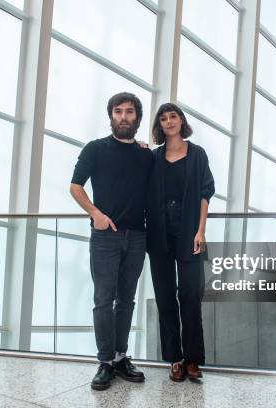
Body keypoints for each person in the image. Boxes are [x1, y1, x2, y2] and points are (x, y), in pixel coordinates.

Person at [70, 92, 153, 391]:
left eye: (129, 112)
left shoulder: (146, 155)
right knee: (103, 300)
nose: (123, 117)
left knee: (126, 300)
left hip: (138, 236)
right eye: (118, 111)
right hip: (105, 236)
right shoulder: (95, 149)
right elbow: (75, 186)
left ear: (137, 118)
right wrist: (95, 213)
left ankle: (120, 357)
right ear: (111, 116)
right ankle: (104, 362)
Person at [146, 102, 215, 382]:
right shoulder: (153, 157)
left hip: (189, 233)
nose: (169, 121)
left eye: (173, 116)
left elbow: (205, 194)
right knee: (165, 297)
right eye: (163, 118)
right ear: (159, 125)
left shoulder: (197, 155)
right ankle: (174, 359)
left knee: (190, 295)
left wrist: (201, 231)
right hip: (159, 234)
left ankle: (193, 360)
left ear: (181, 120)